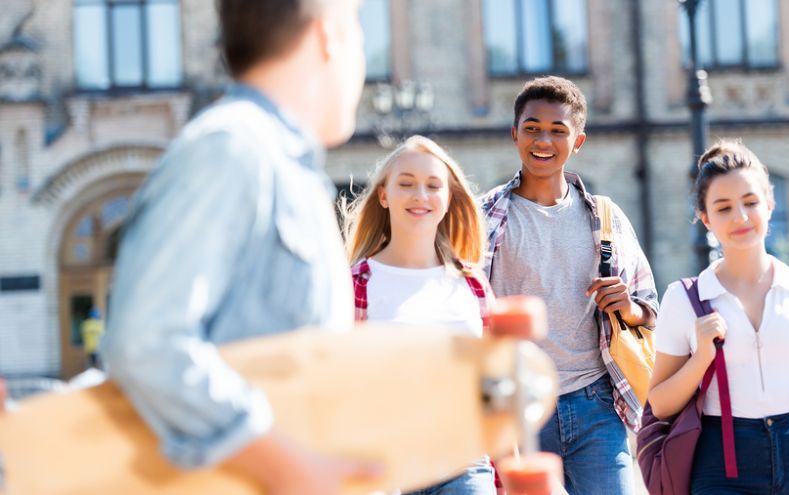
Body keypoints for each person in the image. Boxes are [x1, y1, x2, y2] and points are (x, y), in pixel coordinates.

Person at [100, 0, 375, 493]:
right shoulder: (232, 149)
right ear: (328, 35)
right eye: (359, 28)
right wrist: (288, 467)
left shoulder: (280, 163)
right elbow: (147, 342)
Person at [648, 140, 789, 494]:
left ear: (770, 205)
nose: (740, 217)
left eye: (751, 202)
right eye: (723, 208)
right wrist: (702, 358)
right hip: (720, 460)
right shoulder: (685, 298)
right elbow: (660, 402)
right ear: (706, 218)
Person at [480, 76, 658, 495]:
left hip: (595, 403)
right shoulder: (483, 216)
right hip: (517, 403)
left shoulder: (605, 218)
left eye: (558, 130)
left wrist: (628, 307)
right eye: (532, 127)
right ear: (514, 134)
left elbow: (649, 304)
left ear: (577, 141)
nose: (544, 139)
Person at [343, 135, 496, 495]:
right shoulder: (352, 284)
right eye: (406, 184)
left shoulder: (473, 284)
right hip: (382, 467)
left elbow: (496, 383)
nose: (420, 196)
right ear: (384, 194)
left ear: (448, 198)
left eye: (433, 186)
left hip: (464, 461)